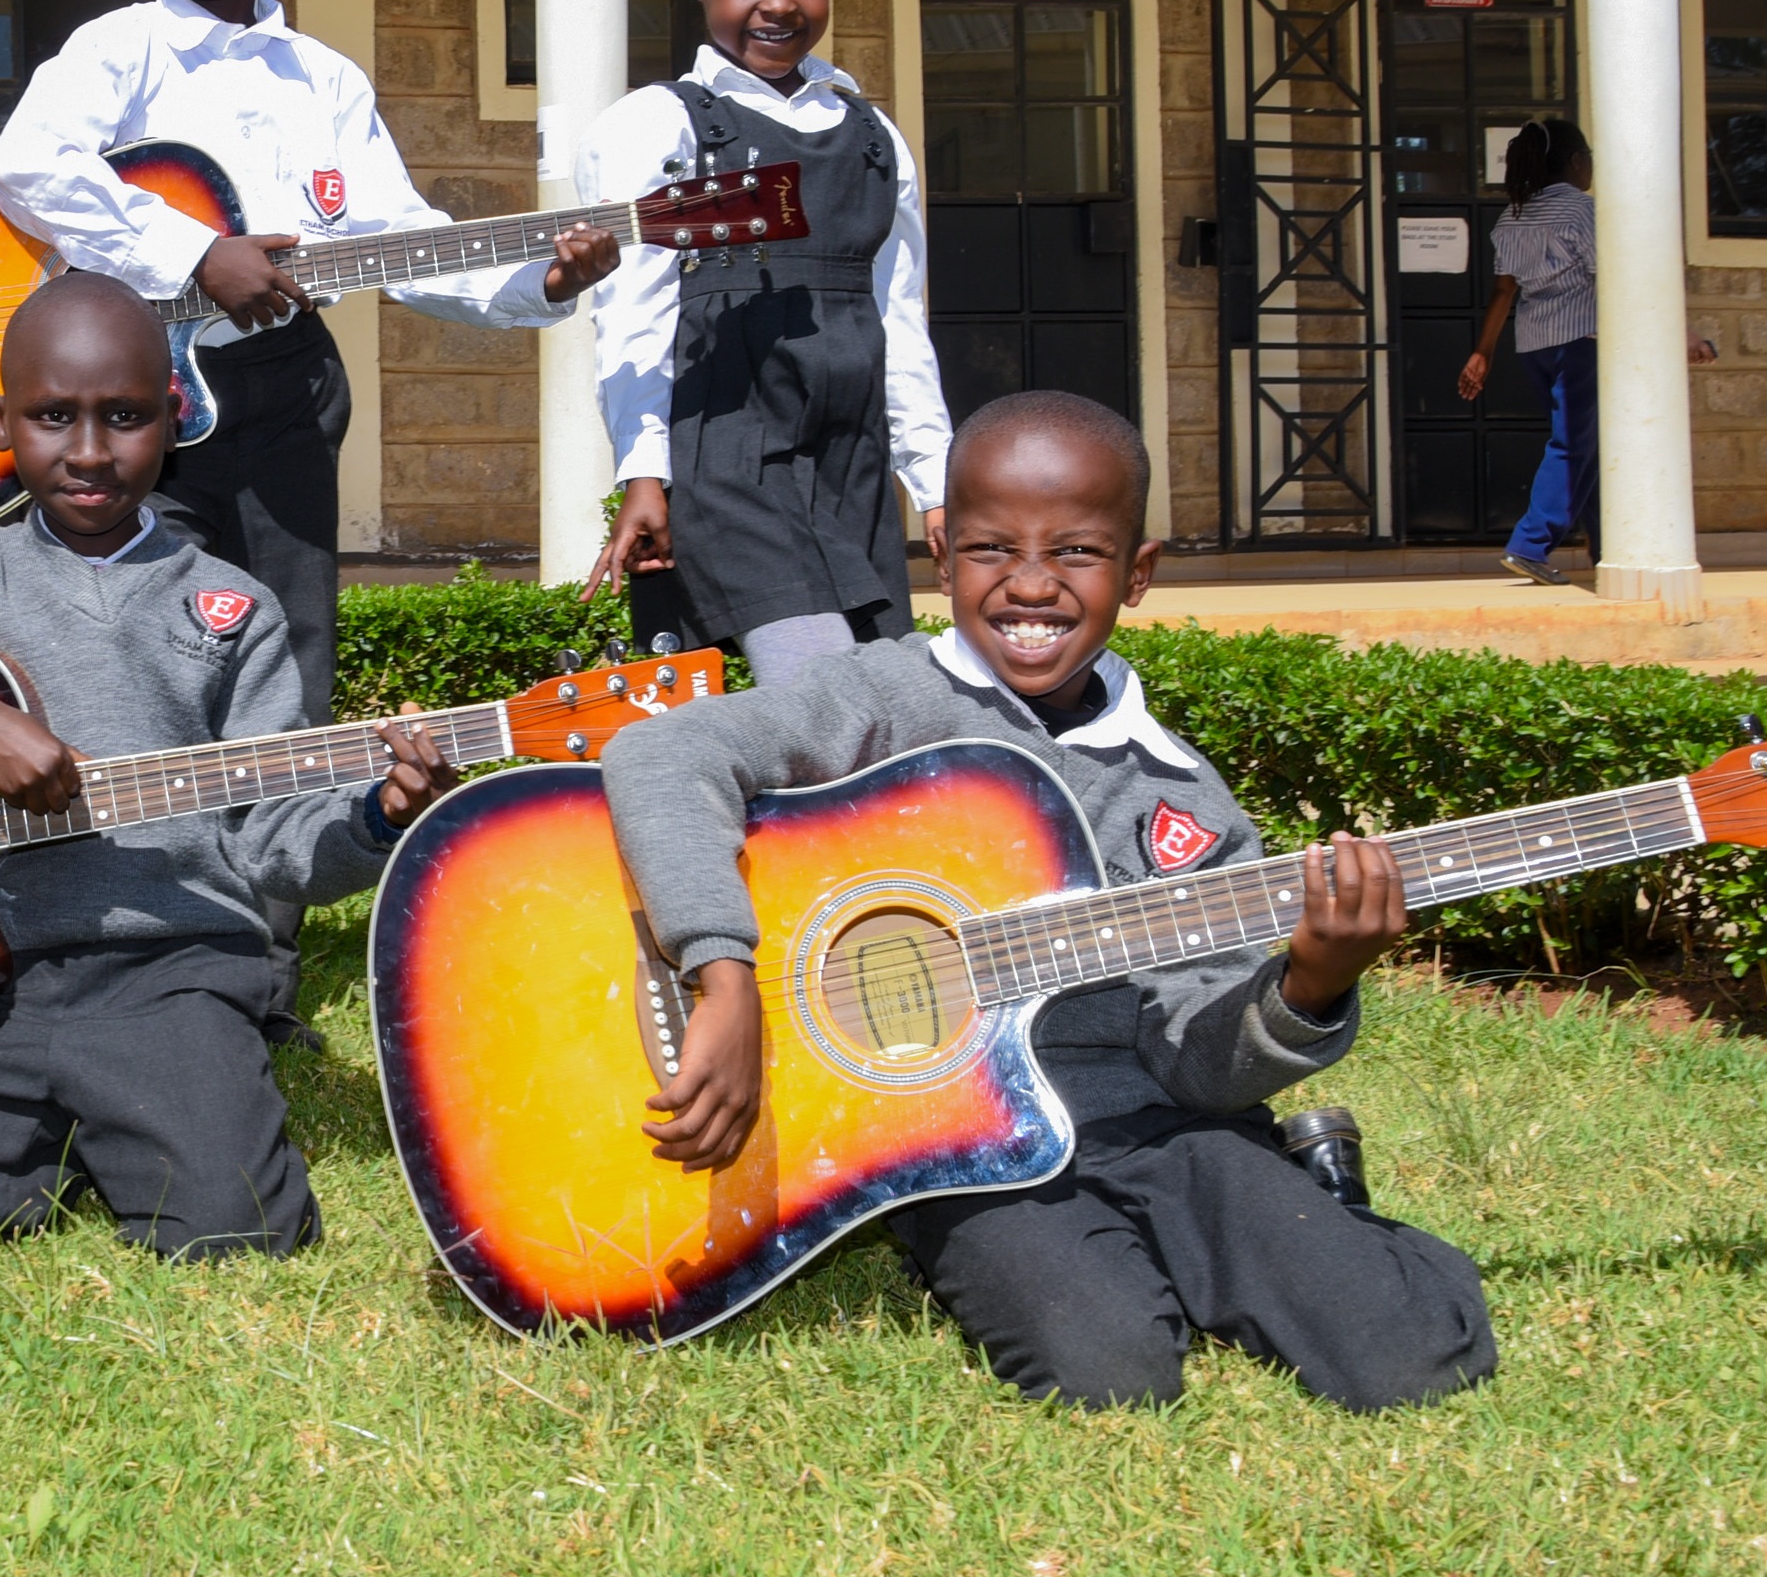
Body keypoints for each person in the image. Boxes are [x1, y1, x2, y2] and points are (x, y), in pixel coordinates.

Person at [605, 390, 1497, 1414]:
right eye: (991, 550)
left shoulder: (1180, 803)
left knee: (1404, 1360)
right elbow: (666, 751)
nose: (1030, 586)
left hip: (1154, 1121)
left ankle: (1313, 1210)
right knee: (1109, 1374)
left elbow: (1198, 1067)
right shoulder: (890, 696)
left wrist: (1309, 985)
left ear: (1139, 573)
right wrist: (720, 971)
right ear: (943, 559)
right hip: (958, 1145)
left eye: (1075, 553)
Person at [0, 270, 458, 1260]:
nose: (86, 451)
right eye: (51, 417)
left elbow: (277, 850)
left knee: (237, 1227)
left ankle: (127, 1120)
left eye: (121, 417)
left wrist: (375, 817)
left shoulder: (233, 608)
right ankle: (70, 1129)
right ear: (2, 424)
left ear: (173, 417)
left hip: (171, 978)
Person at [0, 0, 618, 722]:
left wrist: (540, 281)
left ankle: (283, 838)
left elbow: (393, 237)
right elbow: (27, 167)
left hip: (287, 393)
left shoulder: (324, 79)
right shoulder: (119, 50)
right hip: (136, 407)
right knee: (140, 626)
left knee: (287, 633)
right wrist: (198, 252)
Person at [579, 0, 952, 682]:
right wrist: (643, 473)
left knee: (887, 701)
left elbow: (899, 318)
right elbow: (633, 316)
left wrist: (935, 480)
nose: (778, 5)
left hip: (849, 467)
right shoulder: (657, 126)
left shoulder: (874, 139)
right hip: (730, 463)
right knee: (819, 690)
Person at [1458, 117, 1596, 587]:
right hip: (1581, 341)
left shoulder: (1513, 216)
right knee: (1573, 444)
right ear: (1577, 162)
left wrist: (1483, 352)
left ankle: (1608, 545)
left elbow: (1503, 291)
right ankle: (1530, 545)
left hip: (1534, 345)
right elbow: (1615, 275)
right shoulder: (1583, 212)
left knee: (1588, 445)